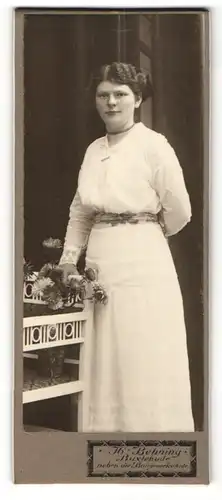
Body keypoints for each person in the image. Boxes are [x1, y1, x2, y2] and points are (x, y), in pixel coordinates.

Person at [59, 62, 194, 432]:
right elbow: (80, 211)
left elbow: (180, 210)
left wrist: (144, 233)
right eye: (103, 95)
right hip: (101, 263)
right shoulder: (93, 150)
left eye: (120, 94)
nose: (111, 102)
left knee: (143, 349)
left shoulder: (153, 146)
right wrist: (69, 260)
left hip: (144, 261)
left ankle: (152, 445)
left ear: (137, 99)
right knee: (106, 352)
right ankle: (103, 443)